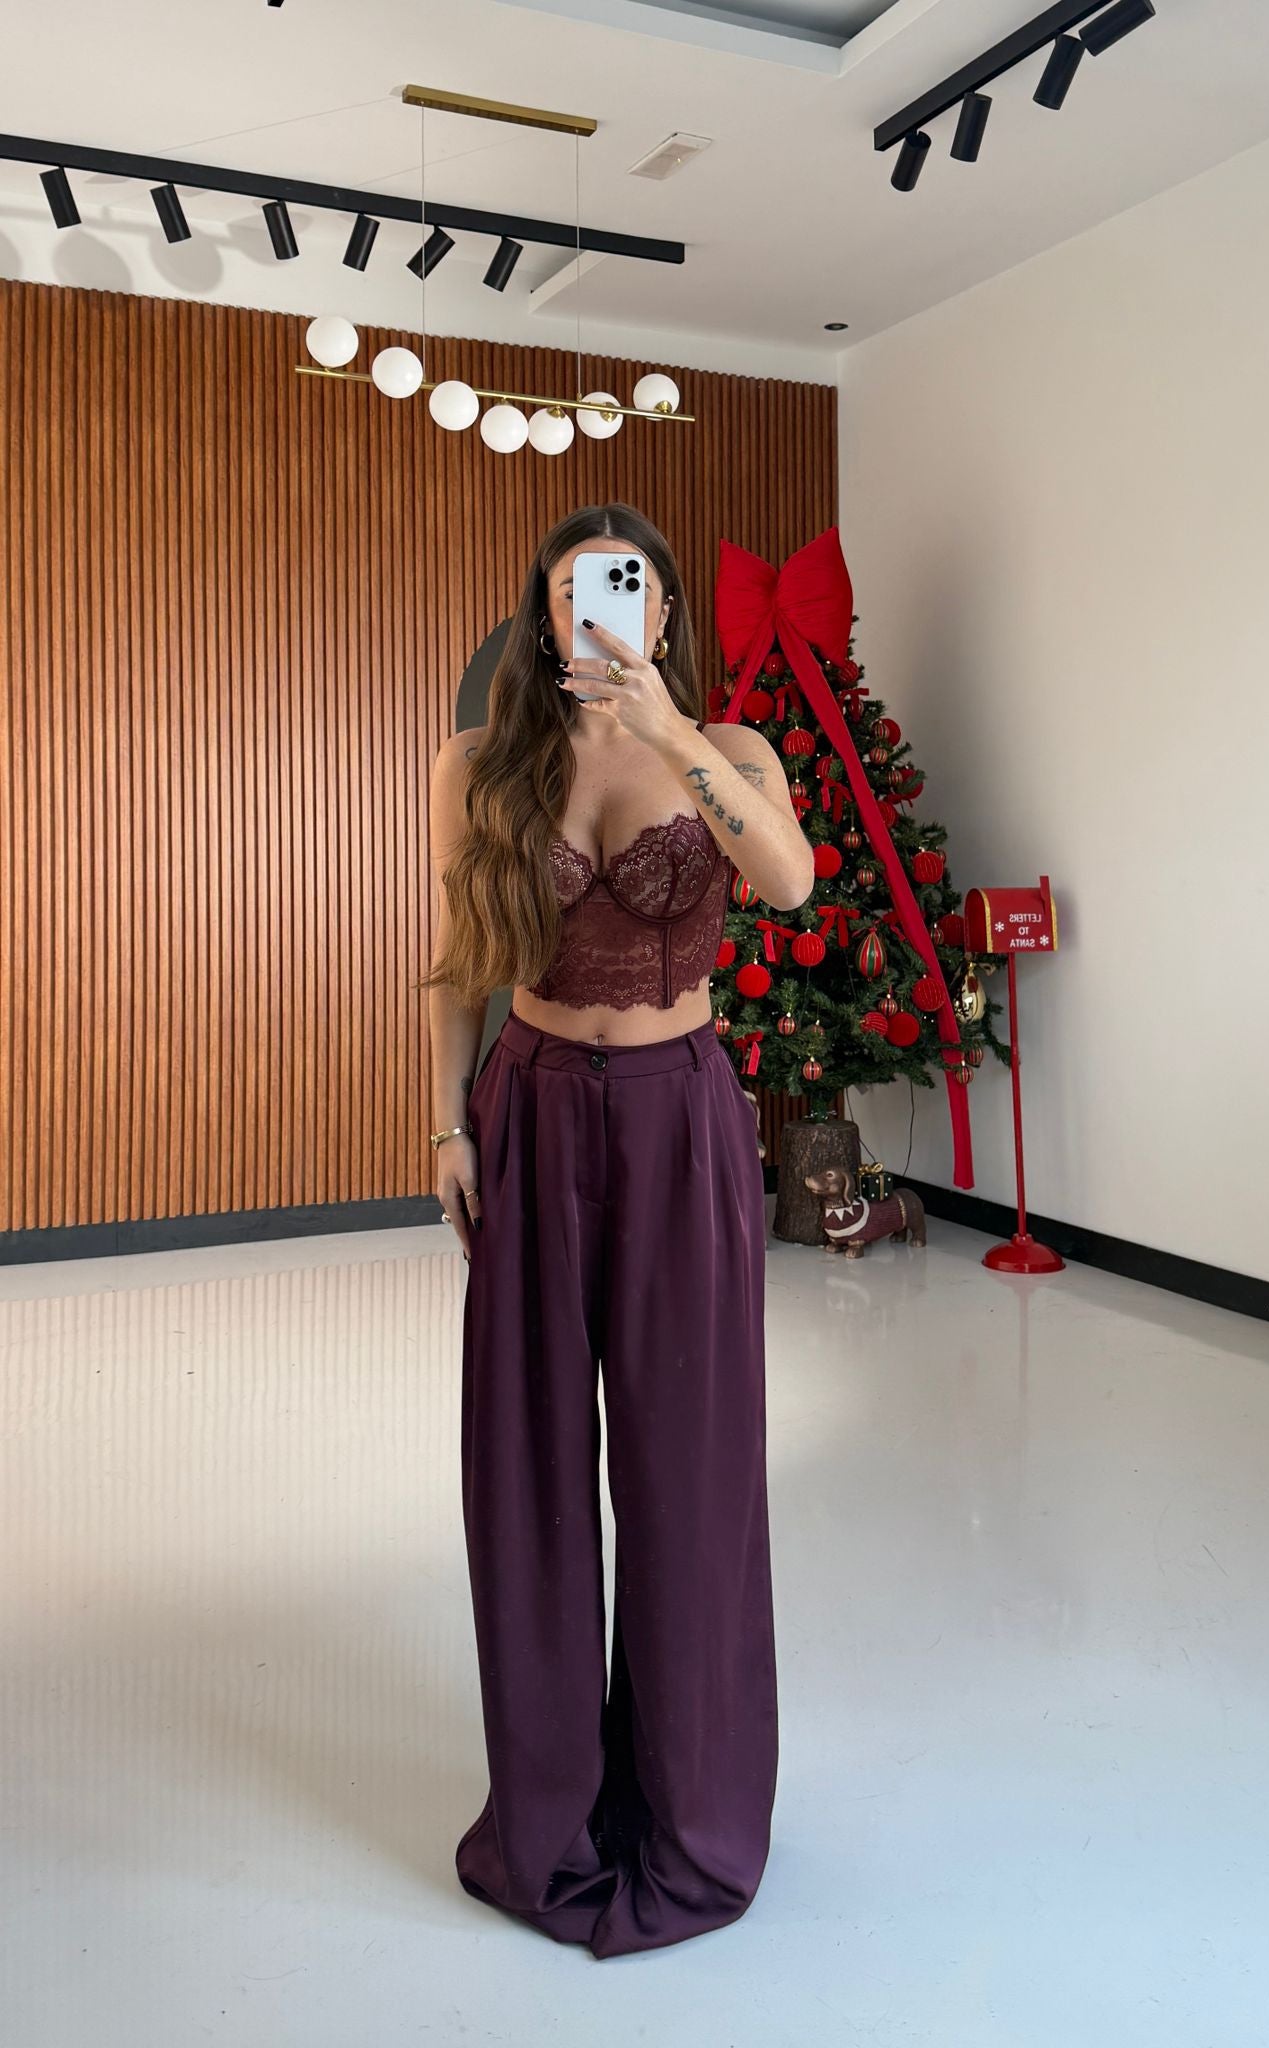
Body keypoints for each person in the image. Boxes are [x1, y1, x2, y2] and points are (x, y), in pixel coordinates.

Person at [418, 502, 814, 1958]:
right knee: (523, 1466)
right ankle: (550, 1816)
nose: (604, 609)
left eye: (630, 588)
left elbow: (789, 883)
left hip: (679, 1118)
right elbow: (458, 961)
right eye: (577, 589)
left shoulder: (733, 753)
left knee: (688, 1466)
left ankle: (692, 1810)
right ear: (541, 614)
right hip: (527, 1108)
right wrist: (449, 1125)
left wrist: (672, 732)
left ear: (663, 613)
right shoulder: (477, 763)